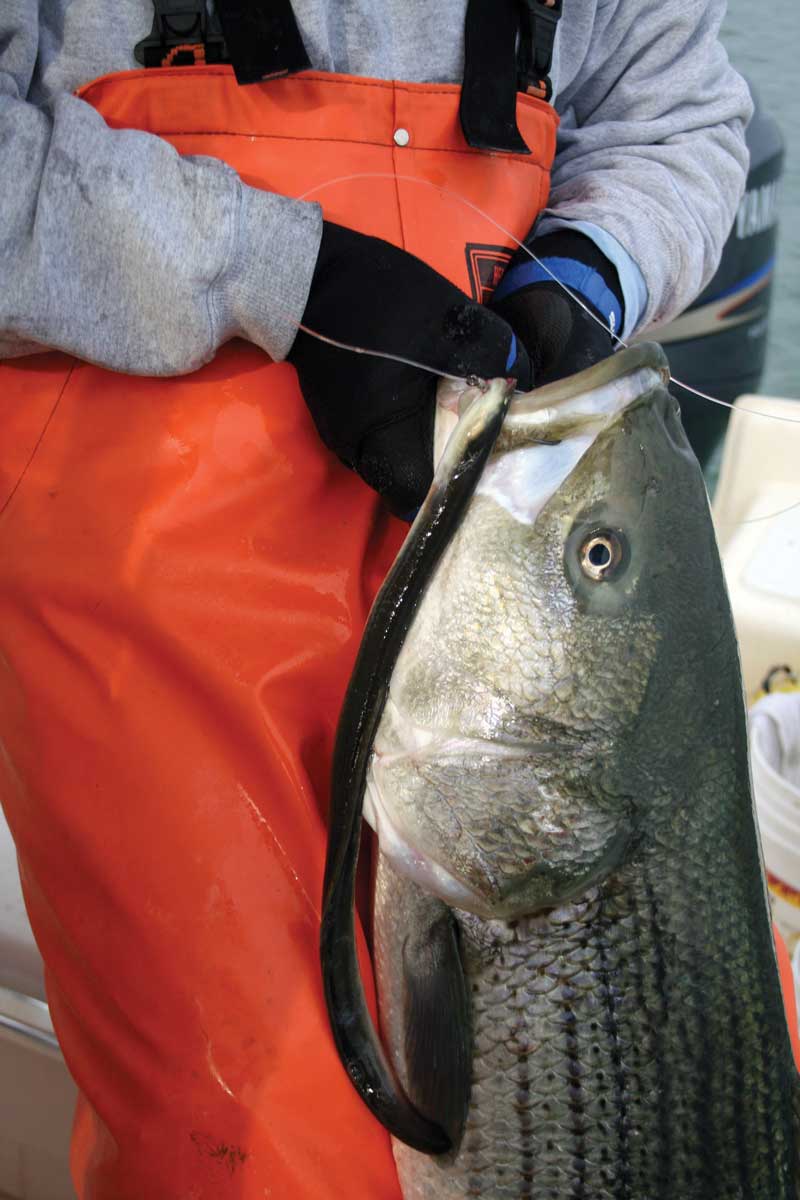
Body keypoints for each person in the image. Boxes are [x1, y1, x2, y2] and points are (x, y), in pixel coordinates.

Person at [0, 2, 758, 1197]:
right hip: (146, 589)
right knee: (250, 1147)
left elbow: (677, 112)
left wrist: (589, 271)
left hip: (470, 518)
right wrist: (280, 274)